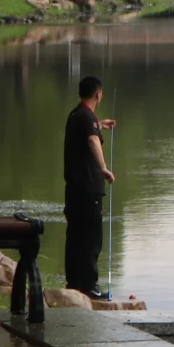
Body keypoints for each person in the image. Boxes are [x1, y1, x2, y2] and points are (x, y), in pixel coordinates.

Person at [63, 76, 116, 298]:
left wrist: (99, 125)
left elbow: (88, 130)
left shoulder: (76, 115)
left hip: (74, 189)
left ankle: (74, 283)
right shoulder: (87, 118)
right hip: (88, 188)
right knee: (91, 237)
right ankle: (89, 285)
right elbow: (93, 140)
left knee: (75, 235)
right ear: (98, 94)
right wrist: (103, 168)